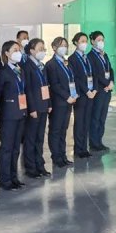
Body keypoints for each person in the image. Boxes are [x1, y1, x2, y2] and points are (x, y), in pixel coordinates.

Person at [0, 41, 27, 191]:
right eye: (15, 50)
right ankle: (5, 179)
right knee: (7, 148)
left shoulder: (20, 70)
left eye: (19, 50)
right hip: (8, 116)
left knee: (15, 149)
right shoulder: (2, 73)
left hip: (20, 113)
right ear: (7, 53)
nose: (18, 52)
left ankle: (14, 177)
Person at [22, 38, 52, 178]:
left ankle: (40, 165)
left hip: (43, 106)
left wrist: (49, 103)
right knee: (31, 139)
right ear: (32, 50)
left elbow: (46, 86)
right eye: (40, 49)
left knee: (40, 138)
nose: (43, 51)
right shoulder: (26, 66)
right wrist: (32, 109)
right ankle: (31, 167)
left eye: (44, 49)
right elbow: (27, 89)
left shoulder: (41, 65)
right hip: (34, 108)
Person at [45, 37, 77, 168]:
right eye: (61, 45)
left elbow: (71, 80)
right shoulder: (51, 64)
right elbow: (54, 85)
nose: (64, 47)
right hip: (58, 102)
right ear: (54, 47)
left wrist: (73, 94)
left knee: (64, 130)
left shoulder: (66, 62)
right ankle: (56, 156)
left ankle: (63, 155)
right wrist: (66, 96)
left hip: (68, 102)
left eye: (65, 45)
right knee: (55, 130)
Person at [69, 32, 97, 159]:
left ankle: (84, 148)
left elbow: (93, 74)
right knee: (79, 122)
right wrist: (86, 91)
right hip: (81, 95)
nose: (84, 43)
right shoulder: (72, 59)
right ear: (76, 43)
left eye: (86, 41)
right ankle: (78, 148)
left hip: (91, 94)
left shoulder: (87, 57)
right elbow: (76, 78)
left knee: (86, 122)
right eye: (82, 41)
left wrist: (94, 89)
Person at [87, 31, 114, 152]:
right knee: (96, 117)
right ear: (92, 41)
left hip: (107, 91)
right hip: (99, 91)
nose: (101, 42)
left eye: (102, 40)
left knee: (102, 118)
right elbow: (96, 74)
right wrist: (106, 83)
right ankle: (94, 142)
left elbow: (110, 69)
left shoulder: (104, 54)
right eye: (98, 40)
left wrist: (111, 82)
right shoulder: (90, 56)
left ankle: (99, 141)